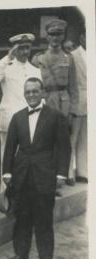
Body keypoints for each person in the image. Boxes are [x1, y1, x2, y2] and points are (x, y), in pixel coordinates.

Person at [2, 78, 70, 259]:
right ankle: (21, 253)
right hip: (21, 175)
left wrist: (61, 174)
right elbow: (9, 148)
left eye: (35, 91)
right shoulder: (18, 117)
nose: (31, 95)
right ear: (24, 94)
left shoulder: (55, 117)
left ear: (42, 93)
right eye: (28, 92)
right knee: (21, 217)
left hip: (44, 175)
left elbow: (64, 148)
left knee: (43, 218)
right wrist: (7, 172)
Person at [0, 33, 41, 193]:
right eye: (21, 48)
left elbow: (39, 97)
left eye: (27, 48)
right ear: (15, 49)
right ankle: (6, 193)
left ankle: (23, 192)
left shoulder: (35, 70)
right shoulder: (6, 66)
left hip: (29, 121)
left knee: (27, 158)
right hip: (10, 119)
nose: (25, 52)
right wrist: (7, 57)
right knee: (7, 157)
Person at [32, 19, 78, 186]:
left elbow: (74, 87)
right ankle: (48, 179)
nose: (55, 38)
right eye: (52, 34)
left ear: (63, 36)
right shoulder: (39, 59)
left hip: (64, 103)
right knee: (46, 143)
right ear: (47, 36)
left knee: (63, 142)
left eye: (59, 34)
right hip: (47, 101)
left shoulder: (69, 58)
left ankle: (62, 177)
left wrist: (73, 111)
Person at [69, 32, 87, 182]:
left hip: (90, 102)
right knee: (72, 137)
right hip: (78, 100)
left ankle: (83, 171)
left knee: (85, 138)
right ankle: (69, 173)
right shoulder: (73, 55)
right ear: (81, 38)